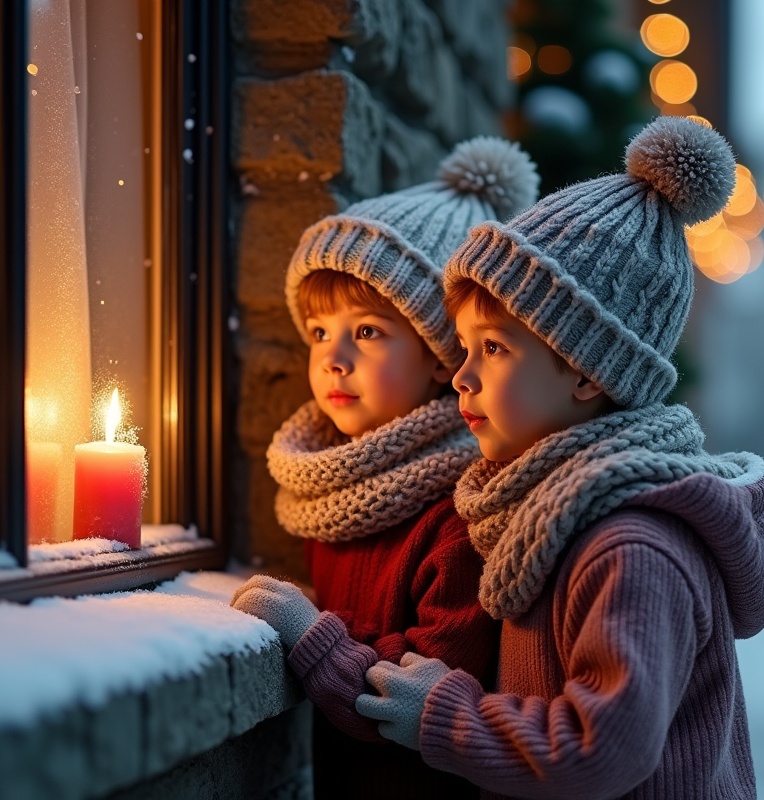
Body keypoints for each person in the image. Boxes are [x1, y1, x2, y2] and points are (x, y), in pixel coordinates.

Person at [354, 116, 764, 800]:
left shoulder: (631, 545)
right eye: (463, 349)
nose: (461, 376)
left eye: (493, 348)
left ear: (588, 372)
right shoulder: (543, 512)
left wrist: (448, 715)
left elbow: (601, 747)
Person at [230, 137, 540, 798]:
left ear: (440, 356)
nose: (333, 358)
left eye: (366, 332)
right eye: (319, 332)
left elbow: (421, 690)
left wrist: (311, 637)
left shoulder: (460, 513)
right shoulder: (334, 487)